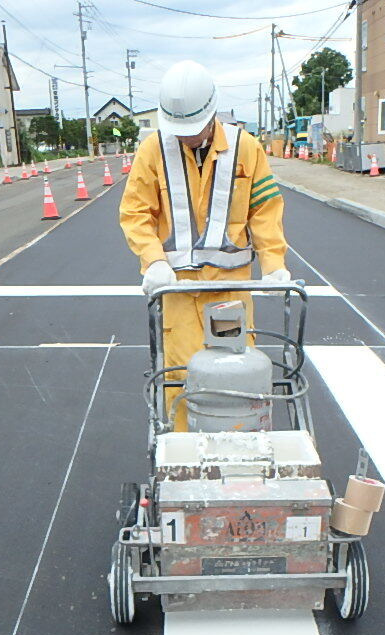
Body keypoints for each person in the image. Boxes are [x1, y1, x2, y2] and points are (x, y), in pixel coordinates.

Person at [119, 60, 289, 430]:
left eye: (193, 131)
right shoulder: (153, 151)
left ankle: (238, 457)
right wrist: (153, 260)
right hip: (178, 293)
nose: (187, 138)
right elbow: (135, 214)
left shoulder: (246, 149)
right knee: (182, 382)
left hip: (228, 294)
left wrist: (274, 264)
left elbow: (265, 211)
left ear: (212, 114)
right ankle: (183, 460)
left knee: (234, 379)